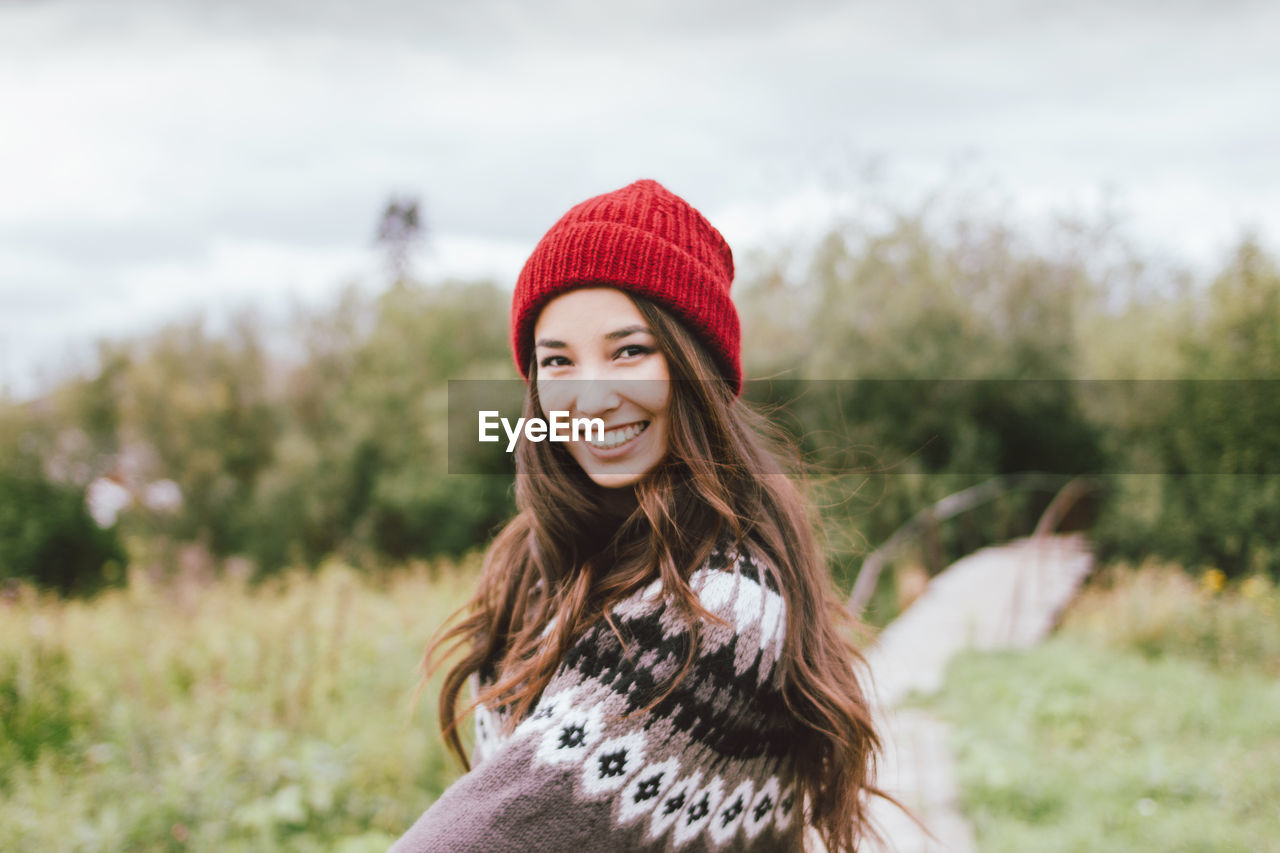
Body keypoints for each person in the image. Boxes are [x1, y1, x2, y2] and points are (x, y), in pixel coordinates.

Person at [390, 179, 889, 852]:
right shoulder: (535, 568)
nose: (591, 399)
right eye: (558, 362)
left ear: (695, 368)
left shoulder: (722, 609)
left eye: (630, 350)